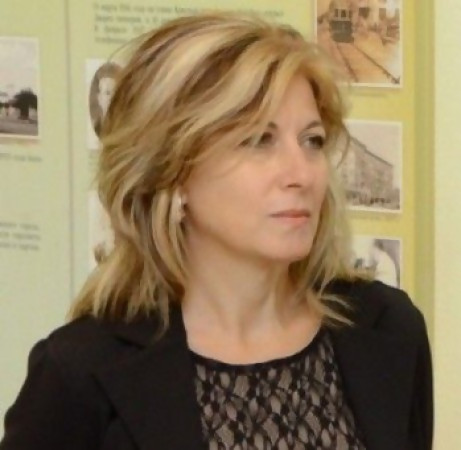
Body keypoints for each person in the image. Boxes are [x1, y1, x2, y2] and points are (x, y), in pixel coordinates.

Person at [0, 12, 432, 450]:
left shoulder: (388, 331)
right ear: (174, 173)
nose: (301, 174)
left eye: (312, 141)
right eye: (259, 140)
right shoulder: (79, 374)